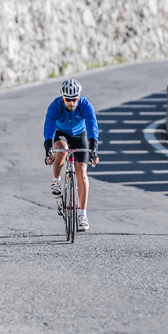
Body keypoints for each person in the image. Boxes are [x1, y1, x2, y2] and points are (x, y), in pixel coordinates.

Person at [44, 78, 100, 232]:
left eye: (74, 99)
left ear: (79, 97)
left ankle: (82, 215)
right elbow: (48, 129)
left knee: (82, 172)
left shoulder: (85, 106)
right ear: (63, 98)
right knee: (61, 150)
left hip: (79, 135)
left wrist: (94, 150)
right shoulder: (55, 106)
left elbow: (92, 127)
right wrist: (48, 150)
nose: (71, 103)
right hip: (60, 134)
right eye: (68, 100)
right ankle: (56, 180)